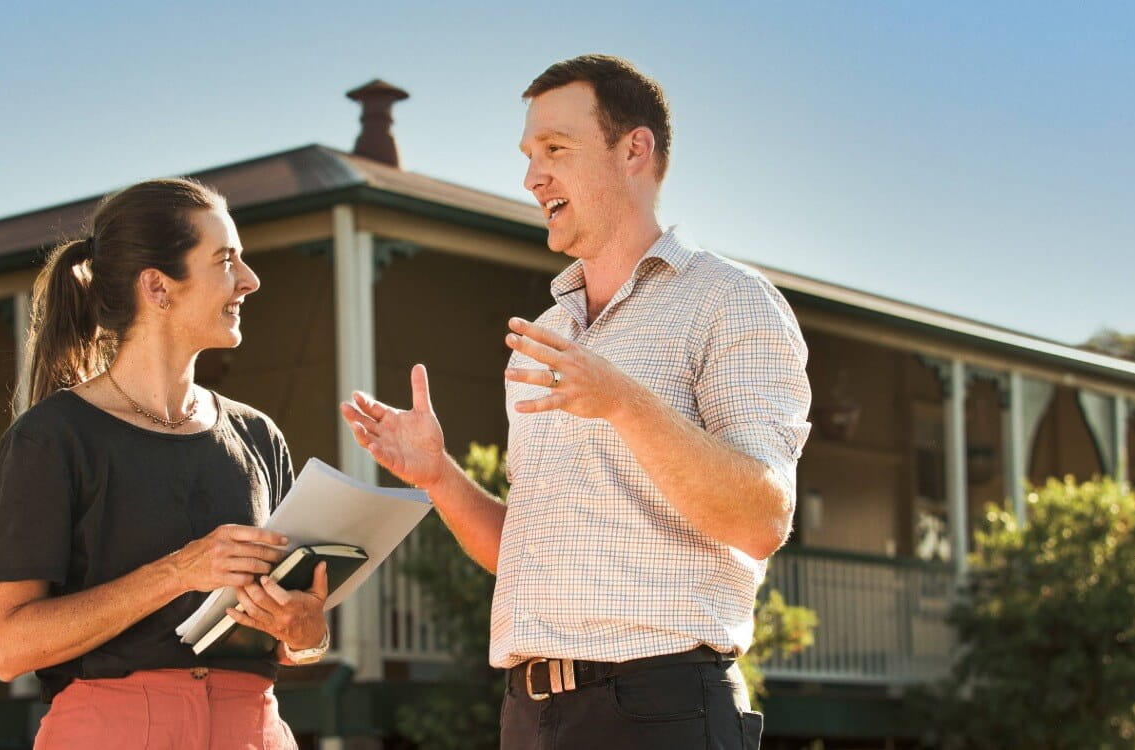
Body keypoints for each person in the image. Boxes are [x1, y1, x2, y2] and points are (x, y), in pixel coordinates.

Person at [339, 55, 811, 749]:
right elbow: (525, 551)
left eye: (556, 149)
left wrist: (623, 402)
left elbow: (763, 518)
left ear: (634, 150)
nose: (533, 177)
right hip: (530, 716)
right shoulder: (546, 338)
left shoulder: (731, 302)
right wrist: (437, 475)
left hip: (663, 709)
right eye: (529, 155)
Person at [0, 178, 329, 749]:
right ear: (158, 287)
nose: (250, 280)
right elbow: (8, 647)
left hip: (255, 729)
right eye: (225, 260)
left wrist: (306, 631)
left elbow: (300, 640)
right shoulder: (50, 440)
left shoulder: (259, 436)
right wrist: (177, 572)